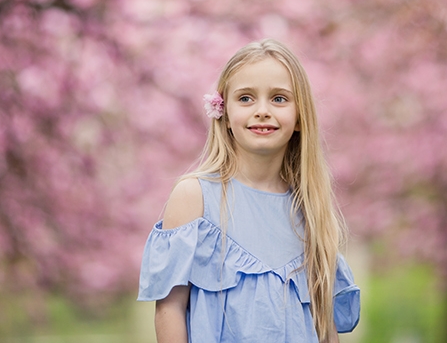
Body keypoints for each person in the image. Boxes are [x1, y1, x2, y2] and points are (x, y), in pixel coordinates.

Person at [138, 39, 360, 342]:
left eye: (279, 99)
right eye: (245, 98)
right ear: (225, 113)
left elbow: (324, 328)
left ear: (299, 117)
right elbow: (169, 310)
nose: (262, 111)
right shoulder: (194, 197)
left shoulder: (310, 211)